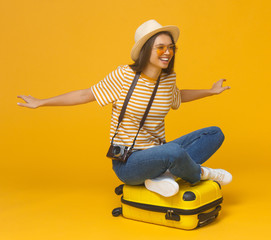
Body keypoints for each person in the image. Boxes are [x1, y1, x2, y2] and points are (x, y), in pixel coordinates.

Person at [17, 19, 232, 197]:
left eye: (171, 47)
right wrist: (41, 102)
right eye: (161, 47)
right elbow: (86, 94)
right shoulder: (124, 76)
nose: (168, 52)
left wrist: (210, 91)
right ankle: (200, 173)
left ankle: (160, 177)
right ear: (146, 49)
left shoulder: (168, 79)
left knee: (214, 134)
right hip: (129, 162)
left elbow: (177, 96)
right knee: (174, 152)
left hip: (159, 152)